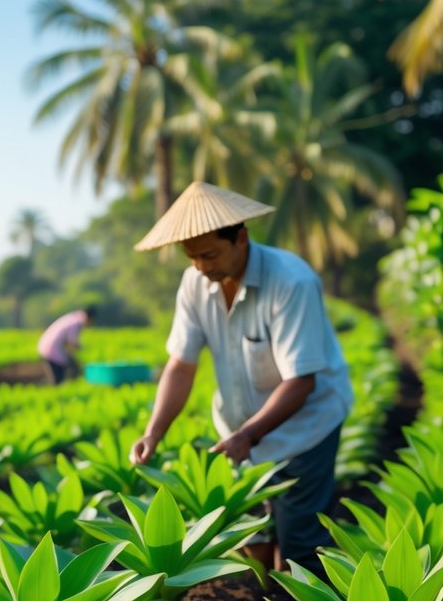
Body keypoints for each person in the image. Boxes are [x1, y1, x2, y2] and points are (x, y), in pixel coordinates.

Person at [129, 181, 353, 573]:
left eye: (211, 254)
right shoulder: (195, 283)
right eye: (192, 257)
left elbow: (301, 381)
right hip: (242, 432)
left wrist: (247, 436)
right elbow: (181, 365)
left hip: (305, 428)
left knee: (299, 542)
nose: (202, 266)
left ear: (242, 238)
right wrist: (153, 432)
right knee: (254, 535)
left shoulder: (291, 282)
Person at [37, 305, 97, 385]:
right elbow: (72, 343)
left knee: (59, 377)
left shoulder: (73, 318)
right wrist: (83, 350)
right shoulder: (76, 323)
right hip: (51, 350)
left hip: (48, 347)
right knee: (59, 378)